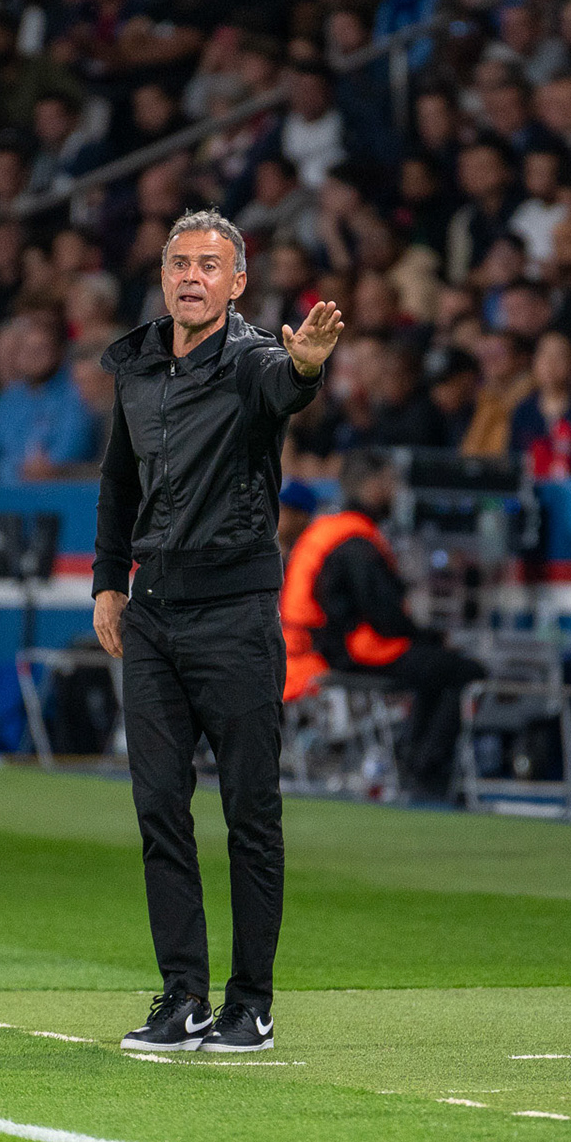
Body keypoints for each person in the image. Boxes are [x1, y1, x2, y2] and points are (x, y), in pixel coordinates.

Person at [93, 209, 343, 1056]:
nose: (191, 276)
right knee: (159, 808)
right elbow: (118, 483)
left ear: (238, 284)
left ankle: (253, 1005)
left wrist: (306, 367)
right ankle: (182, 999)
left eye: (209, 265)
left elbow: (288, 384)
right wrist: (105, 582)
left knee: (250, 812)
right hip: (153, 615)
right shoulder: (134, 365)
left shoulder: (255, 362)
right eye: (178, 264)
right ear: (162, 278)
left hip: (235, 616)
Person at [281, 449, 486, 800]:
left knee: (435, 669)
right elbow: (388, 618)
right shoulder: (356, 540)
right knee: (463, 670)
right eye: (389, 482)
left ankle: (416, 765)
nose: (395, 492)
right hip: (343, 653)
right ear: (372, 486)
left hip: (306, 651)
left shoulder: (327, 530)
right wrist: (433, 638)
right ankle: (427, 774)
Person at [0, 316, 98, 485]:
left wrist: (7, 470)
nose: (32, 356)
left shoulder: (75, 394)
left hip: (57, 496)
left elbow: (70, 452)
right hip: (9, 497)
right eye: (26, 349)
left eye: (41, 349)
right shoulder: (8, 399)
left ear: (59, 352)